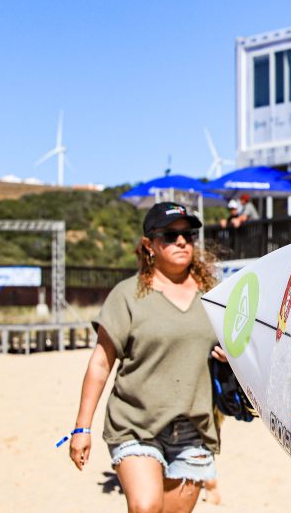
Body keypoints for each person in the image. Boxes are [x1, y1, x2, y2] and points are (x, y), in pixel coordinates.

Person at [68, 202, 225, 513]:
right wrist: (81, 428)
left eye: (188, 234)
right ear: (149, 245)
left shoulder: (215, 296)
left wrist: (229, 357)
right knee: (145, 506)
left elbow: (241, 350)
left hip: (194, 429)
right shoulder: (127, 295)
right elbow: (101, 363)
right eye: (170, 235)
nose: (182, 241)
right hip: (134, 423)